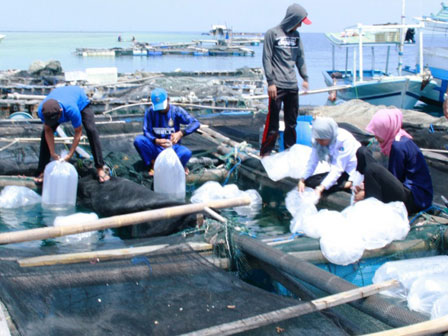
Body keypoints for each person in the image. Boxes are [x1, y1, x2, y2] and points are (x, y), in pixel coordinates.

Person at [354, 109, 433, 214]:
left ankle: (371, 208)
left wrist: (366, 191)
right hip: (405, 190)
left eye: (378, 132)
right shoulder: (395, 139)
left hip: (415, 199)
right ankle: (362, 188)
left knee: (372, 170)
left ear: (385, 129)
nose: (376, 137)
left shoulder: (398, 146)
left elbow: (395, 178)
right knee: (363, 152)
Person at [260, 3, 311, 156]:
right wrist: (270, 82)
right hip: (277, 86)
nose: (301, 25)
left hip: (292, 85)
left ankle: (290, 153)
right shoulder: (272, 33)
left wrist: (305, 77)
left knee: (292, 123)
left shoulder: (296, 36)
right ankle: (265, 153)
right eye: (299, 21)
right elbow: (267, 58)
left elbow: (300, 57)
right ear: (292, 19)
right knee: (272, 123)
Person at [35, 86, 110, 183]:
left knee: (91, 130)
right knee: (44, 135)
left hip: (80, 101)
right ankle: (41, 170)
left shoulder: (72, 109)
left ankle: (100, 167)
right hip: (61, 95)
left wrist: (70, 154)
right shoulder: (42, 110)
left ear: (60, 112)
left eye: (54, 120)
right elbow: (48, 131)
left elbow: (78, 131)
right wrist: (52, 153)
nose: (53, 122)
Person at [134, 88, 200, 176]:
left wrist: (181, 133)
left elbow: (195, 123)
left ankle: (175, 166)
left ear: (168, 100)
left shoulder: (176, 111)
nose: (160, 110)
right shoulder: (150, 112)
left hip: (172, 148)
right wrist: (156, 140)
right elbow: (146, 131)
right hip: (156, 147)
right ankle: (153, 164)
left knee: (186, 153)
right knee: (139, 140)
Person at [298, 117, 361, 200]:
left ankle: (349, 184)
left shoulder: (343, 140)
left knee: (326, 188)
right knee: (309, 182)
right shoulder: (318, 141)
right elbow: (312, 162)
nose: (320, 142)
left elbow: (338, 168)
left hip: (351, 171)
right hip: (338, 170)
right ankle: (340, 184)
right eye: (318, 140)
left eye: (322, 140)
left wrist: (321, 188)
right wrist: (302, 180)